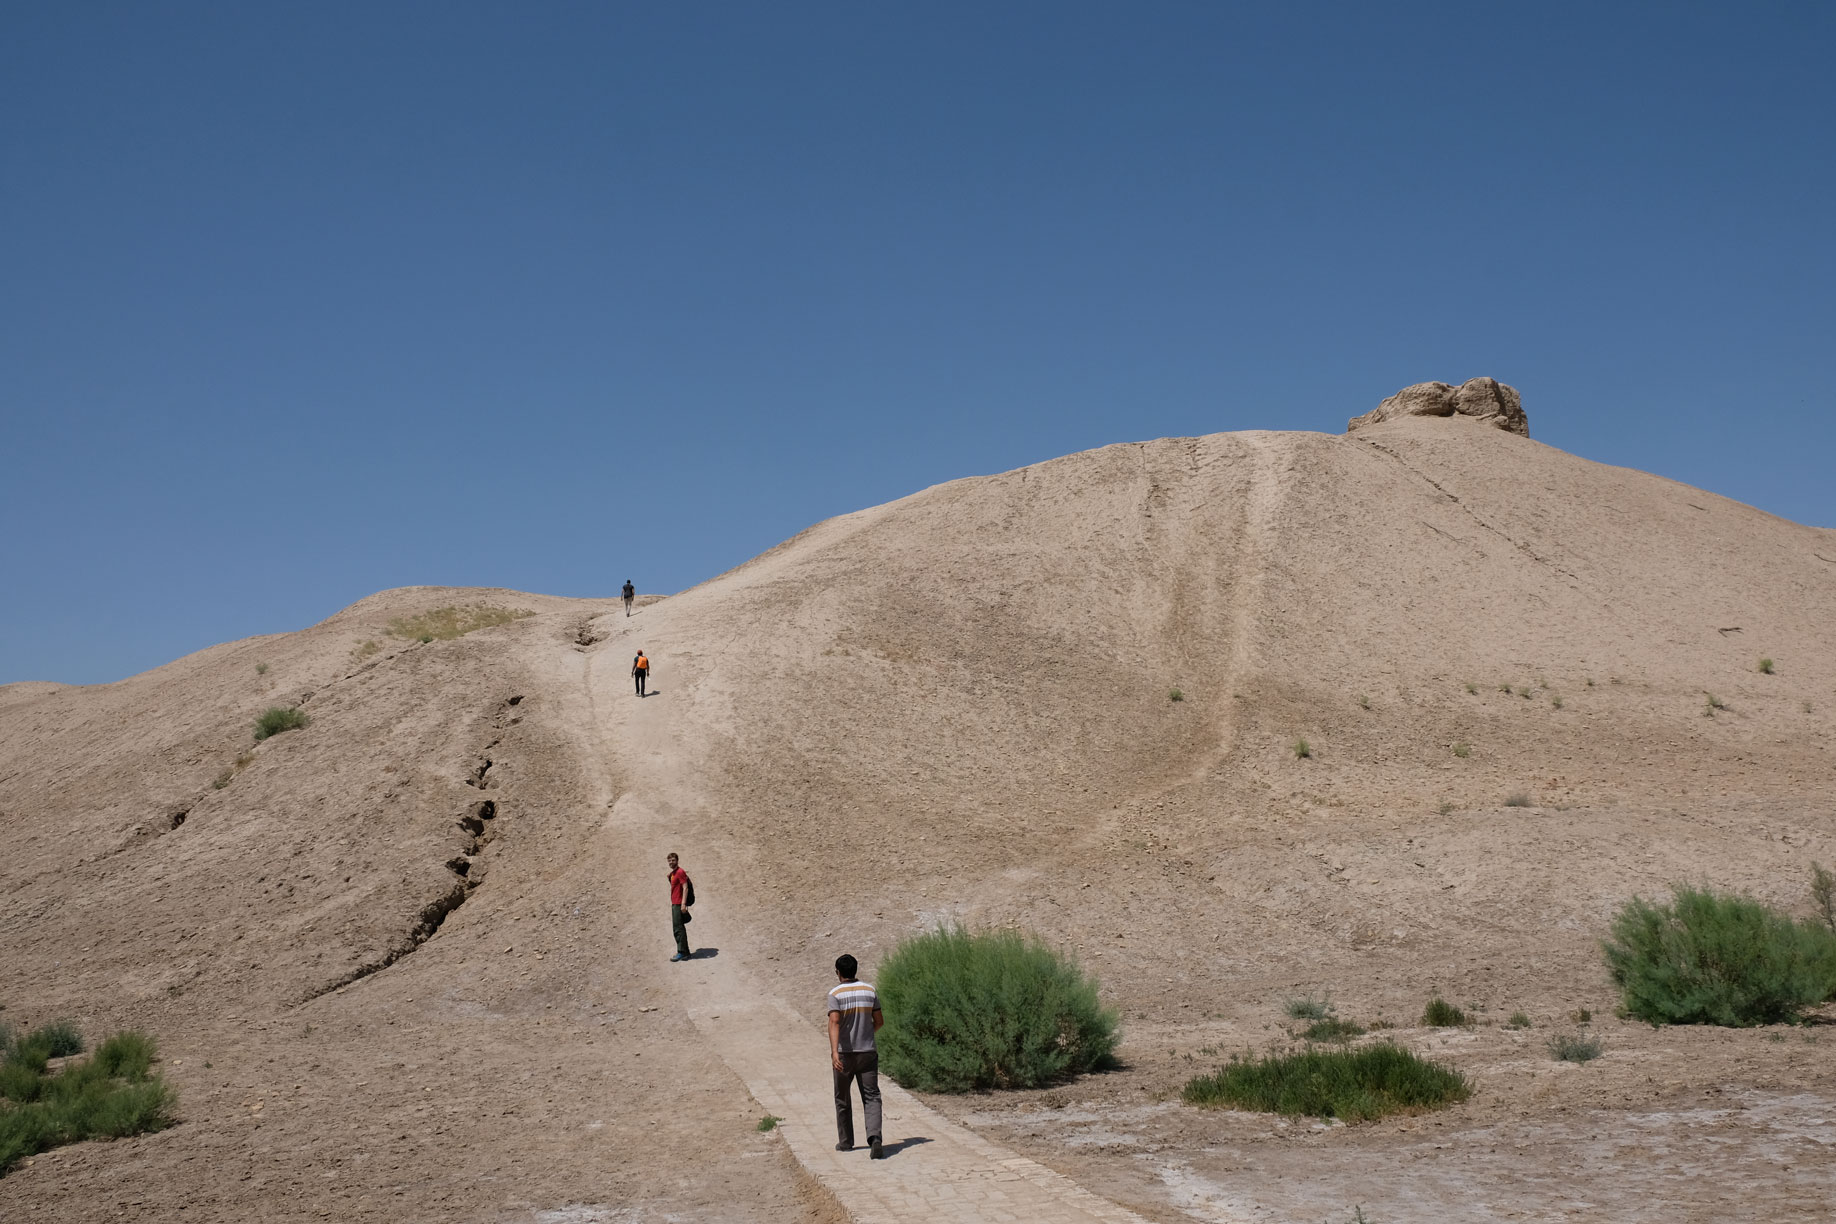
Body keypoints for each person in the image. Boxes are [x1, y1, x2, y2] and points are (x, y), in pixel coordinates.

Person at [827, 953, 885, 1158]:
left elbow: (834, 1022)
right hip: (867, 1052)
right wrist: (867, 1035)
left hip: (844, 1054)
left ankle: (846, 1142)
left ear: (838, 973)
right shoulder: (870, 990)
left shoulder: (835, 994)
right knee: (871, 1096)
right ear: (855, 970)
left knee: (842, 1098)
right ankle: (875, 1138)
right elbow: (879, 1021)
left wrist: (834, 1051)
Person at [666, 852, 693, 961]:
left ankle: (682, 952)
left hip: (678, 903)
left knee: (678, 928)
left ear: (677, 860)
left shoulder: (680, 872)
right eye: (669, 861)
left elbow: (685, 887)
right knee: (678, 928)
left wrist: (683, 904)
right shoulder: (673, 874)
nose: (671, 862)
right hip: (675, 903)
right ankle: (685, 952)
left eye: (673, 860)